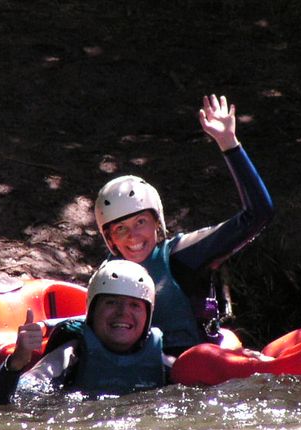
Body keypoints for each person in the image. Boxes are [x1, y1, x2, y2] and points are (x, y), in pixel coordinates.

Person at [94, 94, 273, 356]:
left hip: (196, 361)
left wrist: (229, 144)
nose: (133, 236)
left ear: (157, 223)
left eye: (140, 222)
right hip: (143, 366)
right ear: (109, 239)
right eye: (120, 228)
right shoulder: (107, 274)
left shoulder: (184, 255)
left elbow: (258, 214)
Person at [0, 260, 173, 404]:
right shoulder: (69, 356)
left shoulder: (161, 361)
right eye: (111, 303)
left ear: (148, 316)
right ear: (92, 311)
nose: (123, 313)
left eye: (135, 305)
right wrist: (15, 363)